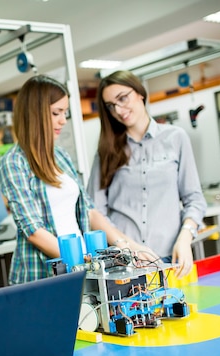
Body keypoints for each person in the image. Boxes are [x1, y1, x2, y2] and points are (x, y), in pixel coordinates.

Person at [0, 75, 158, 285]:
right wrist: (83, 263)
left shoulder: (60, 156)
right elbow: (34, 231)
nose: (63, 120)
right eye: (56, 113)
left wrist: (128, 246)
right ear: (34, 115)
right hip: (44, 276)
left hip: (81, 268)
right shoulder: (14, 163)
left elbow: (90, 211)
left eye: (65, 113)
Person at [87, 70, 207, 278]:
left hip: (169, 259)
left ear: (140, 93)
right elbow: (94, 212)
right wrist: (130, 247)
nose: (118, 110)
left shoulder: (176, 138)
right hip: (124, 263)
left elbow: (194, 199)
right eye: (110, 106)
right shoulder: (107, 150)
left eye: (122, 98)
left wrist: (185, 237)